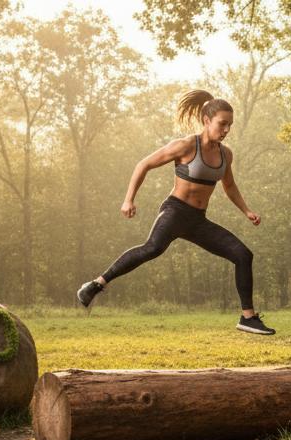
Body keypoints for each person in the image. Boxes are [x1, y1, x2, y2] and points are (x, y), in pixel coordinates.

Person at [76, 90, 274, 335]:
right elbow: (143, 165)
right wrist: (129, 200)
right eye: (222, 124)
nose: (226, 130)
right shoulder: (185, 146)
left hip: (198, 221)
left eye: (230, 126)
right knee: (153, 248)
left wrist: (247, 211)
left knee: (243, 255)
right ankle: (95, 285)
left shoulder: (226, 154)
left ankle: (248, 318)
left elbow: (229, 185)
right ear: (207, 121)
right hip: (175, 211)